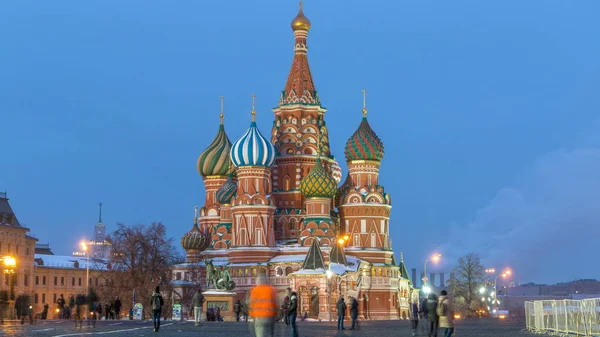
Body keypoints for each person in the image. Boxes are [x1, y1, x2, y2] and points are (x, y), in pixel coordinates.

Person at [249, 272, 277, 337]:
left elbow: (251, 304)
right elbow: (276, 303)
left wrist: (252, 314)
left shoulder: (255, 290)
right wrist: (276, 314)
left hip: (259, 317)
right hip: (270, 316)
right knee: (270, 334)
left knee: (260, 334)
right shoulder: (271, 289)